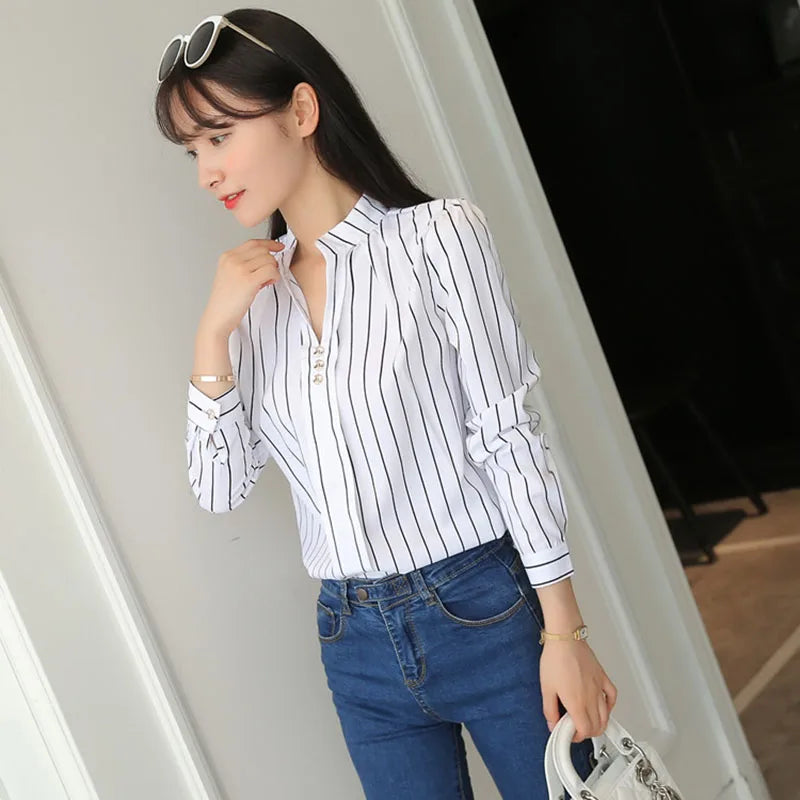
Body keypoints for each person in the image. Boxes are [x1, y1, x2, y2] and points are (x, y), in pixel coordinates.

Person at [155, 8, 617, 799]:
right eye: (193, 149)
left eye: (220, 136)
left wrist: (564, 630)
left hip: (485, 611)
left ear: (302, 110)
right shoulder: (251, 300)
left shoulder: (438, 238)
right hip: (354, 642)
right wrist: (211, 338)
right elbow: (221, 489)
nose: (207, 170)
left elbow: (508, 436)